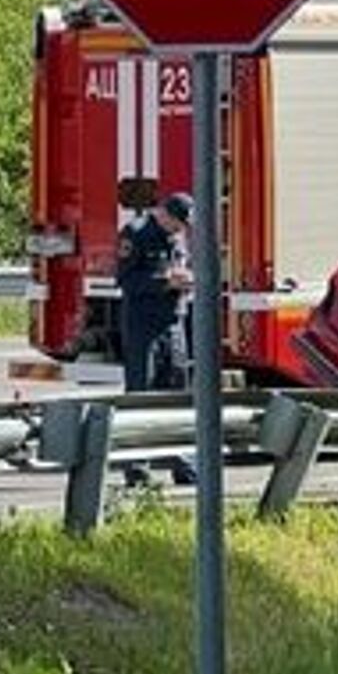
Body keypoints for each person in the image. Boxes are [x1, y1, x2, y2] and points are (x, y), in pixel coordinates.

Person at [116, 192, 195, 487]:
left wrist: (187, 281)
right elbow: (125, 280)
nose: (180, 230)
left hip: (173, 322)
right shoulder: (136, 234)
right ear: (164, 213)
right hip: (143, 325)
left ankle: (184, 466)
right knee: (140, 392)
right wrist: (164, 282)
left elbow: (181, 267)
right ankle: (136, 469)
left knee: (177, 393)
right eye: (178, 222)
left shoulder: (177, 239)